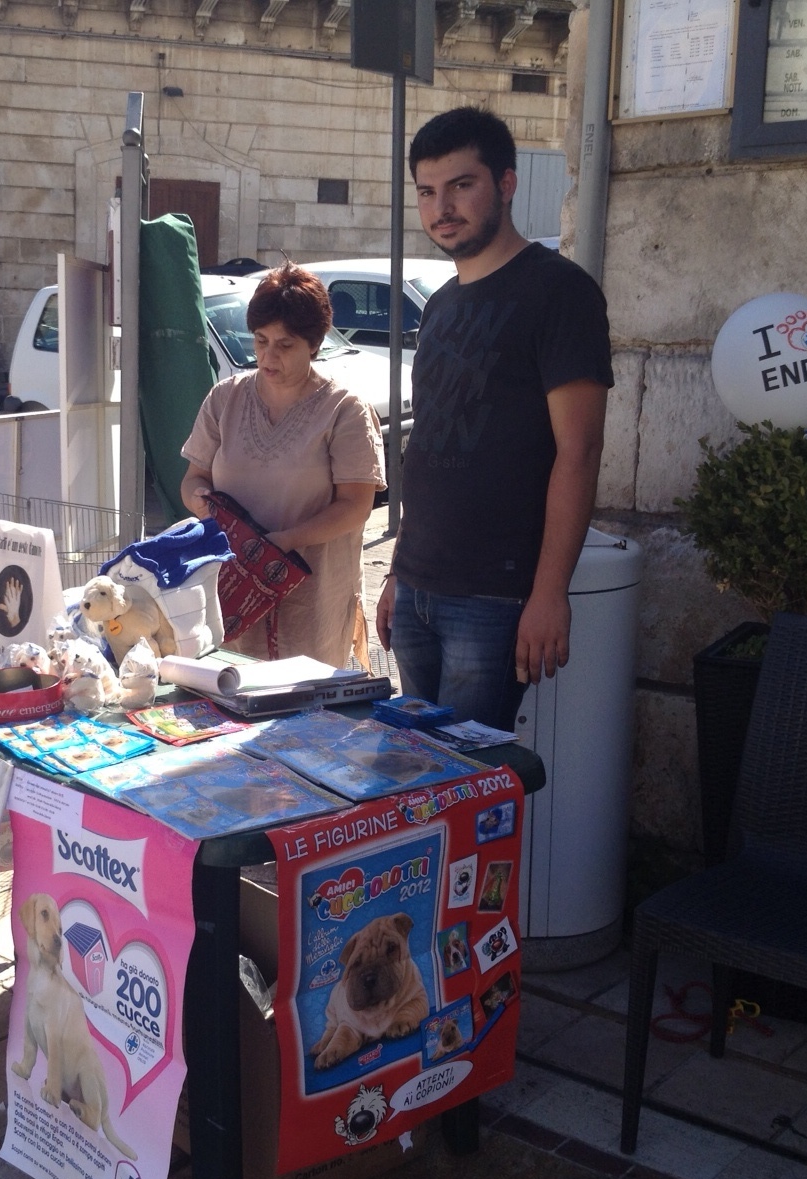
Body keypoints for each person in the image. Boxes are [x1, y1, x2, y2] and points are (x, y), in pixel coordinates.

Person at [375, 107, 613, 730]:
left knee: (468, 789)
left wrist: (548, 593)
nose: (441, 207)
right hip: (418, 588)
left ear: (505, 183)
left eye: (461, 185)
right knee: (417, 780)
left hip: (495, 596)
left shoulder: (560, 292)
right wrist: (399, 573)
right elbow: (428, 448)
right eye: (427, 191)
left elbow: (580, 452)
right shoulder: (440, 306)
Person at [178, 263, 384, 668]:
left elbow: (355, 506)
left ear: (314, 344)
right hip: (232, 592)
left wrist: (285, 541)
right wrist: (201, 502)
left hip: (313, 598)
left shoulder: (344, 409)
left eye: (285, 345)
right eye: (260, 341)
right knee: (229, 704)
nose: (268, 356)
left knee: (305, 712)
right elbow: (193, 479)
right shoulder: (225, 398)